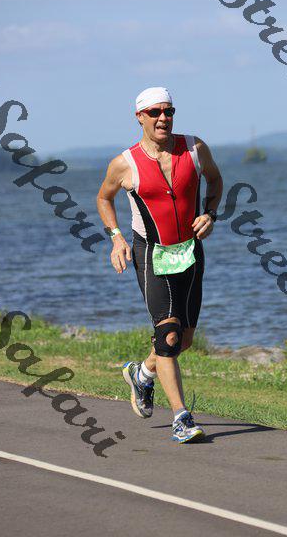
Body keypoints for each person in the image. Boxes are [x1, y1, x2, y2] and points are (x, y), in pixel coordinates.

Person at [96, 87, 223, 443]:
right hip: (151, 254)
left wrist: (210, 213)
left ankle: (142, 374)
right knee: (167, 336)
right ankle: (181, 418)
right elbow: (103, 198)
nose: (163, 118)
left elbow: (215, 179)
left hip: (191, 252)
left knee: (183, 341)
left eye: (168, 111)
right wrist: (116, 237)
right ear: (140, 116)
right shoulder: (125, 163)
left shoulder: (195, 149)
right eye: (155, 112)